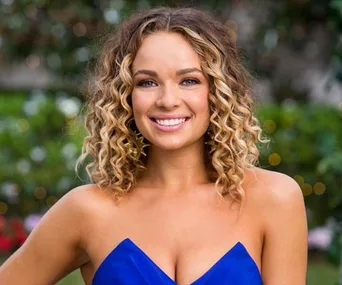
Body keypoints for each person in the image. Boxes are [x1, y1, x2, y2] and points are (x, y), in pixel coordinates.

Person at [0, 7, 308, 285]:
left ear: (218, 91)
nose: (168, 100)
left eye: (189, 81)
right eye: (147, 82)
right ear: (125, 95)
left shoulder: (275, 199)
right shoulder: (87, 210)